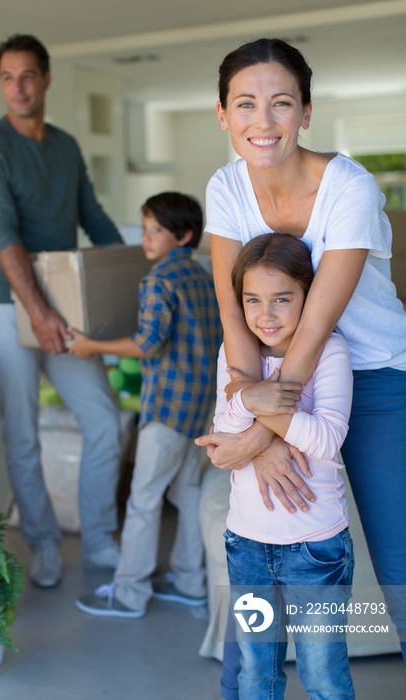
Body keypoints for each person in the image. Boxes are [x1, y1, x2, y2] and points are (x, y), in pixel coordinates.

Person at [195, 37, 406, 689]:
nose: (264, 122)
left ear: (306, 112)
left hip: (370, 379)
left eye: (282, 103)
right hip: (264, 381)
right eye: (246, 104)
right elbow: (235, 312)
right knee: (250, 578)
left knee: (399, 570)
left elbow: (315, 326)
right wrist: (250, 410)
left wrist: (262, 433)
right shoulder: (226, 187)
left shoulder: (348, 185)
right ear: (223, 115)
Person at [0, 34, 123, 588]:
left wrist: (142, 273)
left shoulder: (66, 147)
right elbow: (2, 233)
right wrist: (34, 309)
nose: (18, 87)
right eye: (7, 77)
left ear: (47, 78)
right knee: (22, 432)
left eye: (28, 75)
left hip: (65, 302)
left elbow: (95, 221)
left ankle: (100, 538)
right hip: (6, 304)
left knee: (102, 419)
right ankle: (44, 542)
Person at [69, 192, 222, 617]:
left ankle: (131, 592)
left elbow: (148, 342)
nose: (146, 237)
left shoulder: (158, 280)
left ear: (184, 235)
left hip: (168, 407)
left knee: (144, 499)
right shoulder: (203, 276)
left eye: (157, 229)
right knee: (187, 491)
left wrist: (90, 346)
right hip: (201, 407)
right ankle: (191, 582)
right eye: (145, 227)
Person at [216, 232, 355, 698]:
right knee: (256, 675)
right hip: (247, 546)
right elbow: (223, 439)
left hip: (315, 550)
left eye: (282, 299)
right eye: (252, 300)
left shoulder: (330, 351)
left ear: (309, 295)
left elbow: (327, 437)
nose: (266, 314)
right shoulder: (233, 354)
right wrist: (249, 399)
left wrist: (252, 400)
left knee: (323, 679)